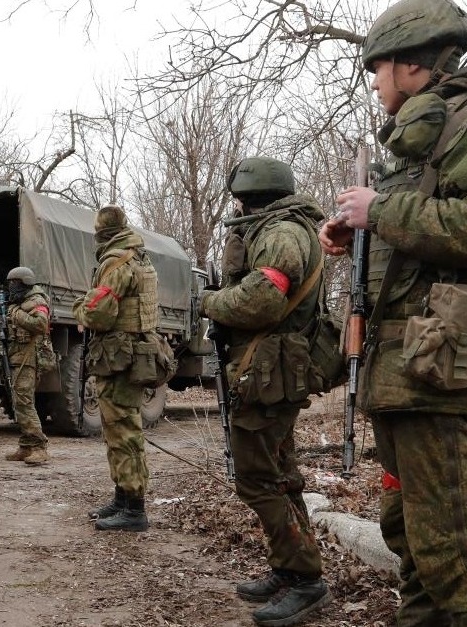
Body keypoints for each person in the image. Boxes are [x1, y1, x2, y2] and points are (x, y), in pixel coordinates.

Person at [319, 0, 467, 624]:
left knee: (456, 549)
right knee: (413, 539)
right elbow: (424, 235)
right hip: (405, 372)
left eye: (378, 68)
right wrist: (353, 231)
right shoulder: (426, 136)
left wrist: (381, 213)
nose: (374, 82)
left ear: (411, 63)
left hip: (437, 373)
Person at [198, 158, 330, 626]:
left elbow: (261, 299)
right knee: (280, 475)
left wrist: (210, 302)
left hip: (269, 375)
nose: (235, 204)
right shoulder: (282, 229)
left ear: (251, 197)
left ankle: (305, 578)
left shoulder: (280, 234)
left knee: (257, 478)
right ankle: (291, 568)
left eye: (239, 196)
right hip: (267, 372)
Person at [73, 204, 156, 532]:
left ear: (101, 234)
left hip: (119, 358)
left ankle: (134, 509)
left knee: (123, 431)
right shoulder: (138, 257)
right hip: (130, 354)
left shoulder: (116, 261)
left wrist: (80, 307)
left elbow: (98, 313)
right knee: (120, 428)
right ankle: (123, 498)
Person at [2, 266, 53, 465]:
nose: (11, 287)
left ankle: (40, 447)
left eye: (14, 283)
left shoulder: (37, 301)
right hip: (18, 356)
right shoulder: (20, 302)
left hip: (30, 358)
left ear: (25, 283)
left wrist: (15, 314)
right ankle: (26, 445)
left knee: (24, 401)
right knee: (18, 401)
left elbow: (41, 324)